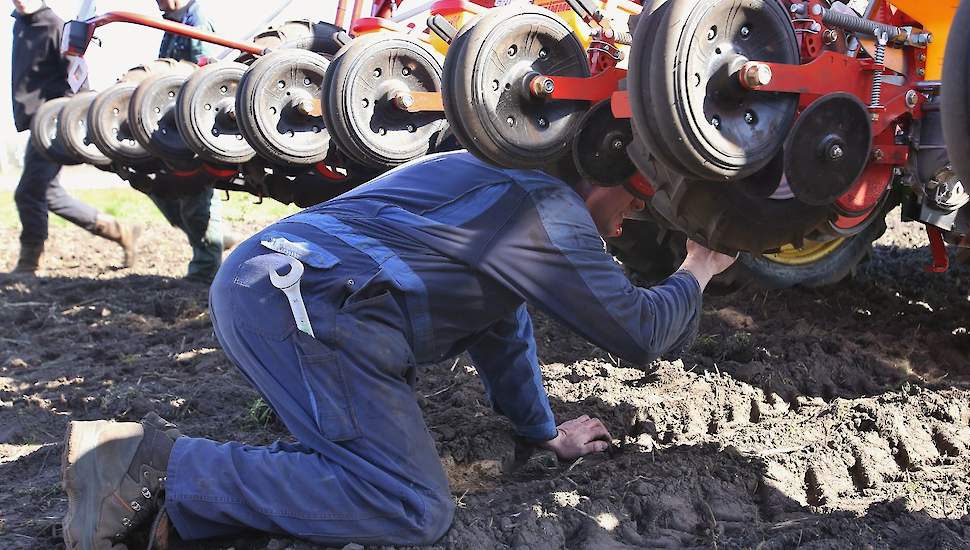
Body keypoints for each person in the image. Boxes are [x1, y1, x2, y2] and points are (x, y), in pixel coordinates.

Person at [60, 152, 736, 548]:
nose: (630, 223)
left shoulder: (498, 181)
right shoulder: (545, 206)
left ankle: (178, 514)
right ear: (608, 163)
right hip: (313, 309)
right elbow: (642, 331)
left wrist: (542, 432)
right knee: (412, 504)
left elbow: (502, 327)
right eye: (639, 201)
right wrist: (700, 266)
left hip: (277, 291)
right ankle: (150, 463)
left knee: (362, 460)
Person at [9, 0, 139, 274]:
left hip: (53, 121)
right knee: (49, 193)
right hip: (35, 121)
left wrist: (72, 121)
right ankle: (120, 231)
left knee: (28, 193)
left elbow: (77, 78)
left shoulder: (55, 26)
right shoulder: (21, 24)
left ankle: (29, 262)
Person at [149, 0, 233, 282]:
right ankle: (214, 240)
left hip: (194, 117)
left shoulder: (197, 20)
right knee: (158, 185)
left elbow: (201, 70)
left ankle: (206, 267)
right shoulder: (171, 23)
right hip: (171, 119)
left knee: (194, 192)